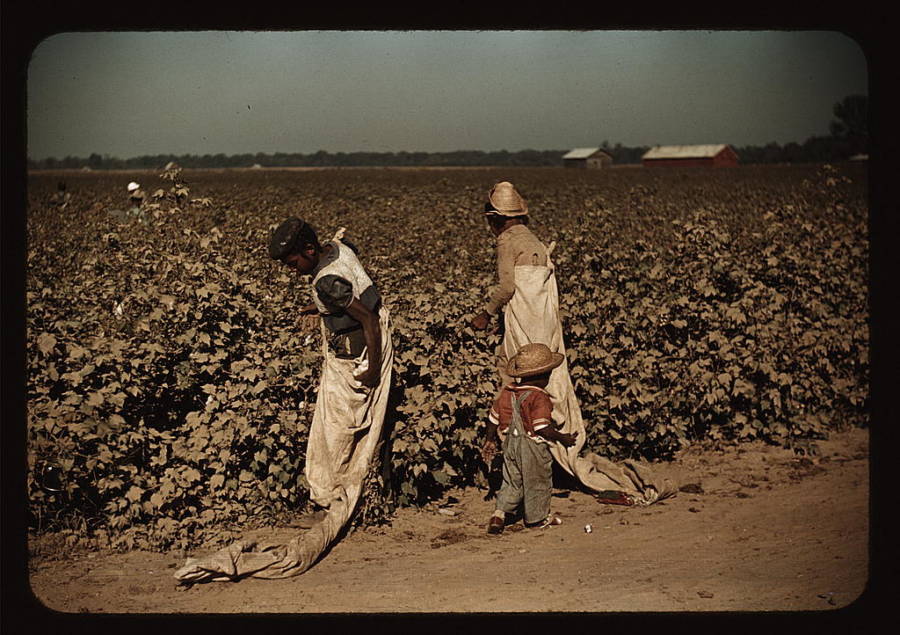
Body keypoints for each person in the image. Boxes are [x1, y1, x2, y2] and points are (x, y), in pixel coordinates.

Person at [482, 343, 577, 534]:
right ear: (543, 376)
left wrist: (490, 440)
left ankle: (499, 515)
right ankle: (537, 518)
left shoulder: (507, 392)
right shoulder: (539, 397)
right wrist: (562, 438)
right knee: (538, 481)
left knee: (511, 480)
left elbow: (493, 419)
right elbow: (542, 428)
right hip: (532, 447)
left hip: (510, 445)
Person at [469, 181, 548, 390]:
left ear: (496, 219)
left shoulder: (507, 239)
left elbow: (507, 287)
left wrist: (486, 314)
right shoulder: (532, 238)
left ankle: (511, 417)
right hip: (542, 315)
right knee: (540, 364)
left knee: (513, 367)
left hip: (523, 315)